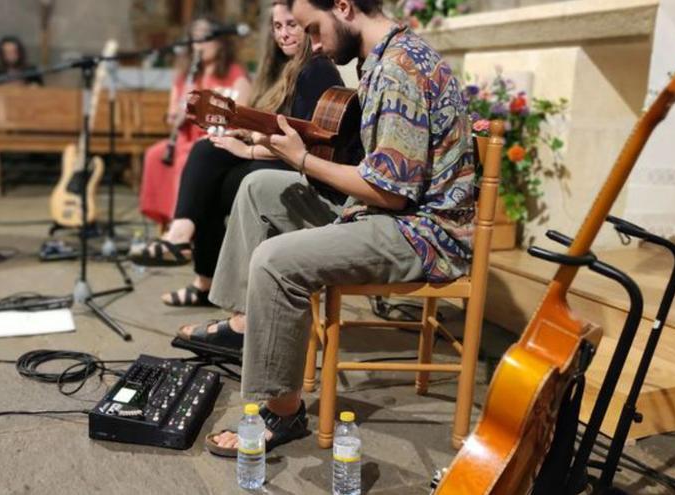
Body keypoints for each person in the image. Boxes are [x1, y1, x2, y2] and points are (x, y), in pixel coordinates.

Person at [187, 0, 476, 455]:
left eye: (314, 30)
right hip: (384, 214)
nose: (313, 44)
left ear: (343, 6)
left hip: (422, 233)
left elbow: (391, 194)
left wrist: (301, 158)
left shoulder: (399, 68)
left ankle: (283, 414)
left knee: (275, 261)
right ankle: (246, 324)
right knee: (261, 187)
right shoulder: (382, 59)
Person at [131, 1, 350, 310]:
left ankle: (201, 269)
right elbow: (268, 126)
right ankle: (187, 246)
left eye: (291, 25)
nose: (284, 34)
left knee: (214, 179)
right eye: (277, 27)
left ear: (307, 24)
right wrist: (241, 132)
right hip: (275, 159)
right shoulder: (277, 71)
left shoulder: (315, 70)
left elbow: (302, 142)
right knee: (208, 150)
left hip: (302, 171)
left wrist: (247, 148)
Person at [137, 17, 253, 226]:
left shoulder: (236, 75)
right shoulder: (185, 76)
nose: (199, 45)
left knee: (186, 159)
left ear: (221, 42)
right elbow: (172, 117)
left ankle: (184, 226)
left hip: (213, 141)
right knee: (154, 155)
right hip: (184, 140)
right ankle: (167, 225)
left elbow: (240, 119)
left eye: (205, 39)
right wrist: (175, 117)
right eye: (195, 39)